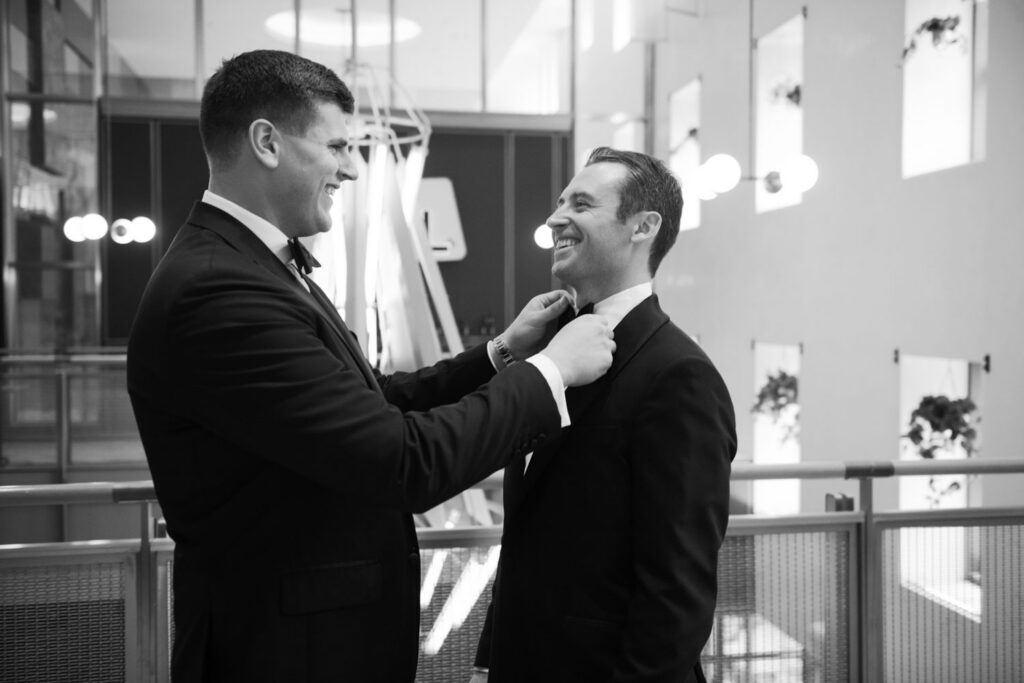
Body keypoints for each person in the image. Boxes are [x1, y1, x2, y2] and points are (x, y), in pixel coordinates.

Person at [126, 50, 615, 683]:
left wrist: (500, 355)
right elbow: (402, 461)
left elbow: (370, 398)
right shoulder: (220, 291)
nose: (352, 169)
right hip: (285, 654)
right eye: (336, 147)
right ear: (267, 142)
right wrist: (551, 372)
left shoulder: (257, 264)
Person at [472, 147, 737, 683]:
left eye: (582, 203)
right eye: (559, 201)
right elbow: (531, 536)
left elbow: (676, 593)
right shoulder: (553, 348)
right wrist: (488, 659)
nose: (553, 218)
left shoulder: (679, 375)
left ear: (643, 226)